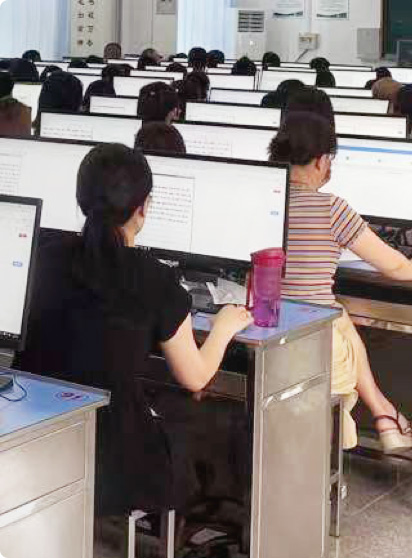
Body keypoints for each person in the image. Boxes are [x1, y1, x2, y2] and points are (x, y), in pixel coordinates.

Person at [13, 143, 253, 518]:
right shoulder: (155, 279)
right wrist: (223, 327)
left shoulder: (42, 256)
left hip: (35, 436)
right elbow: (195, 377)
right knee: (209, 423)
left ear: (81, 200)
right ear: (143, 208)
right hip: (114, 462)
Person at [269, 111, 412, 453]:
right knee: (337, 318)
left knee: (340, 314)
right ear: (321, 161)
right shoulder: (332, 209)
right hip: (312, 340)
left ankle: (384, 414)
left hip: (272, 329)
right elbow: (396, 268)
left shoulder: (264, 200)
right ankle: (385, 416)